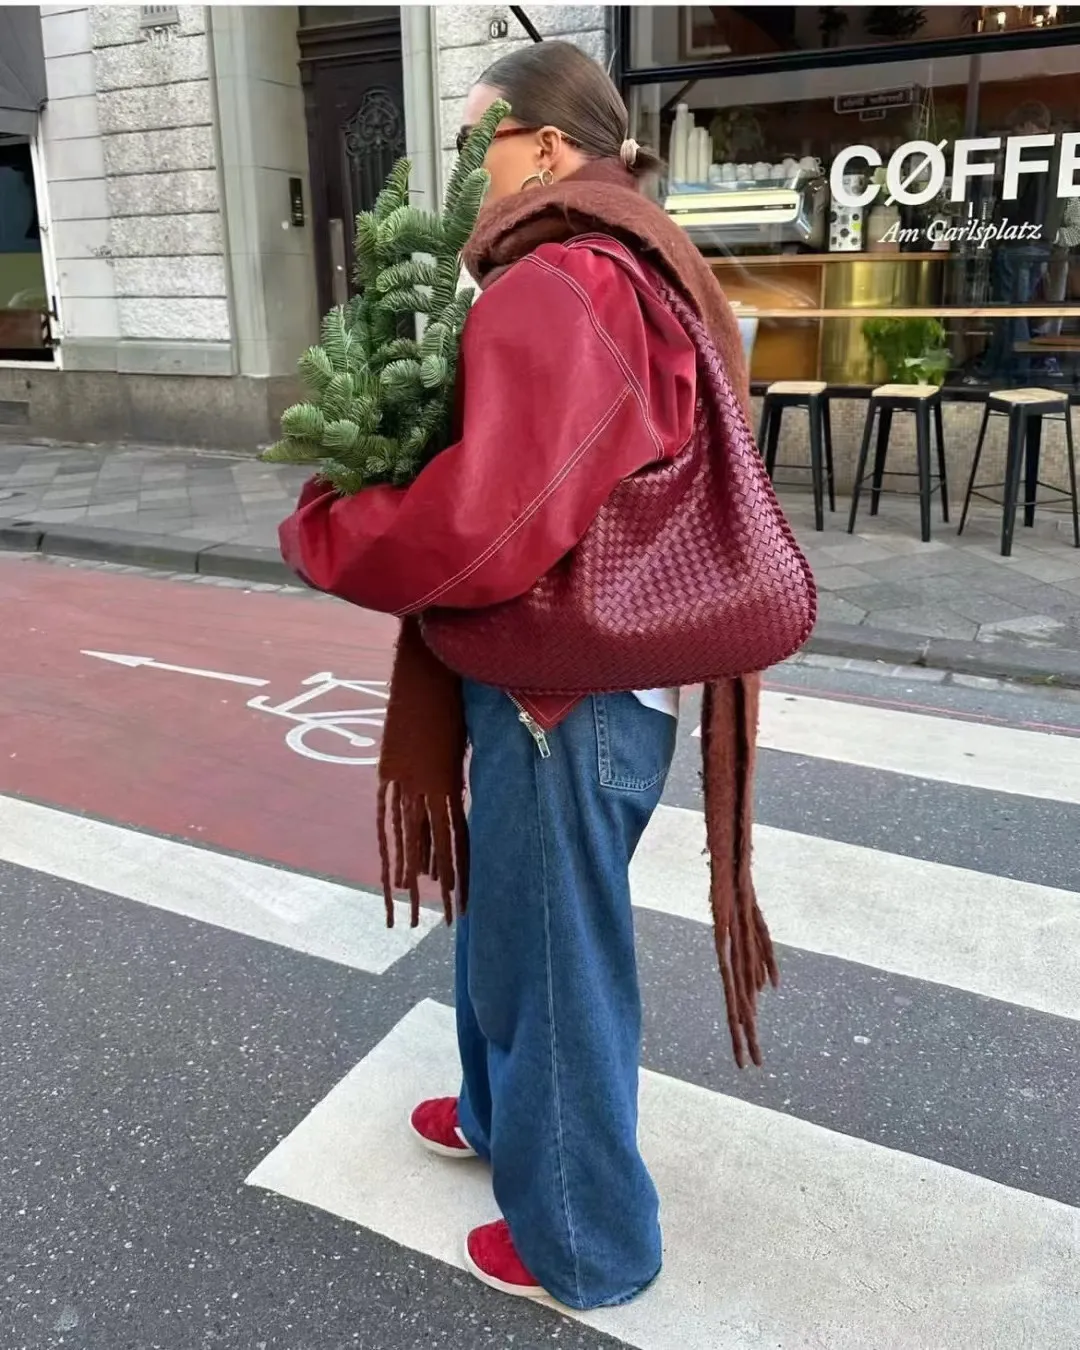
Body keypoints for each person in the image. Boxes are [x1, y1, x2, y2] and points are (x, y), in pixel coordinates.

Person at [279, 41, 773, 1310]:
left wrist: (334, 529)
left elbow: (497, 514)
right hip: (596, 675)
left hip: (564, 685)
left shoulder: (563, 280)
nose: (462, 169)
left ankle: (585, 1241)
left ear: (546, 148)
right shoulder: (632, 255)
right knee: (514, 916)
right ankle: (502, 1116)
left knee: (558, 957)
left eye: (474, 141)